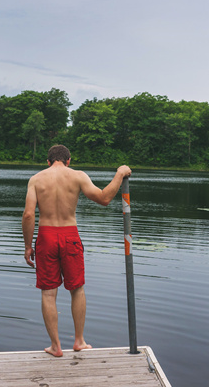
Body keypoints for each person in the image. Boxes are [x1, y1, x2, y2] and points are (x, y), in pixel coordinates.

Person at [22, 144, 132, 357]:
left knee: (48, 292)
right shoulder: (78, 176)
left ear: (48, 161)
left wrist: (28, 246)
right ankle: (79, 341)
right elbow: (104, 198)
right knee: (77, 289)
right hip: (69, 234)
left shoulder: (36, 179)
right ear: (69, 160)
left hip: (45, 236)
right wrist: (119, 174)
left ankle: (55, 346)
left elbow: (28, 215)